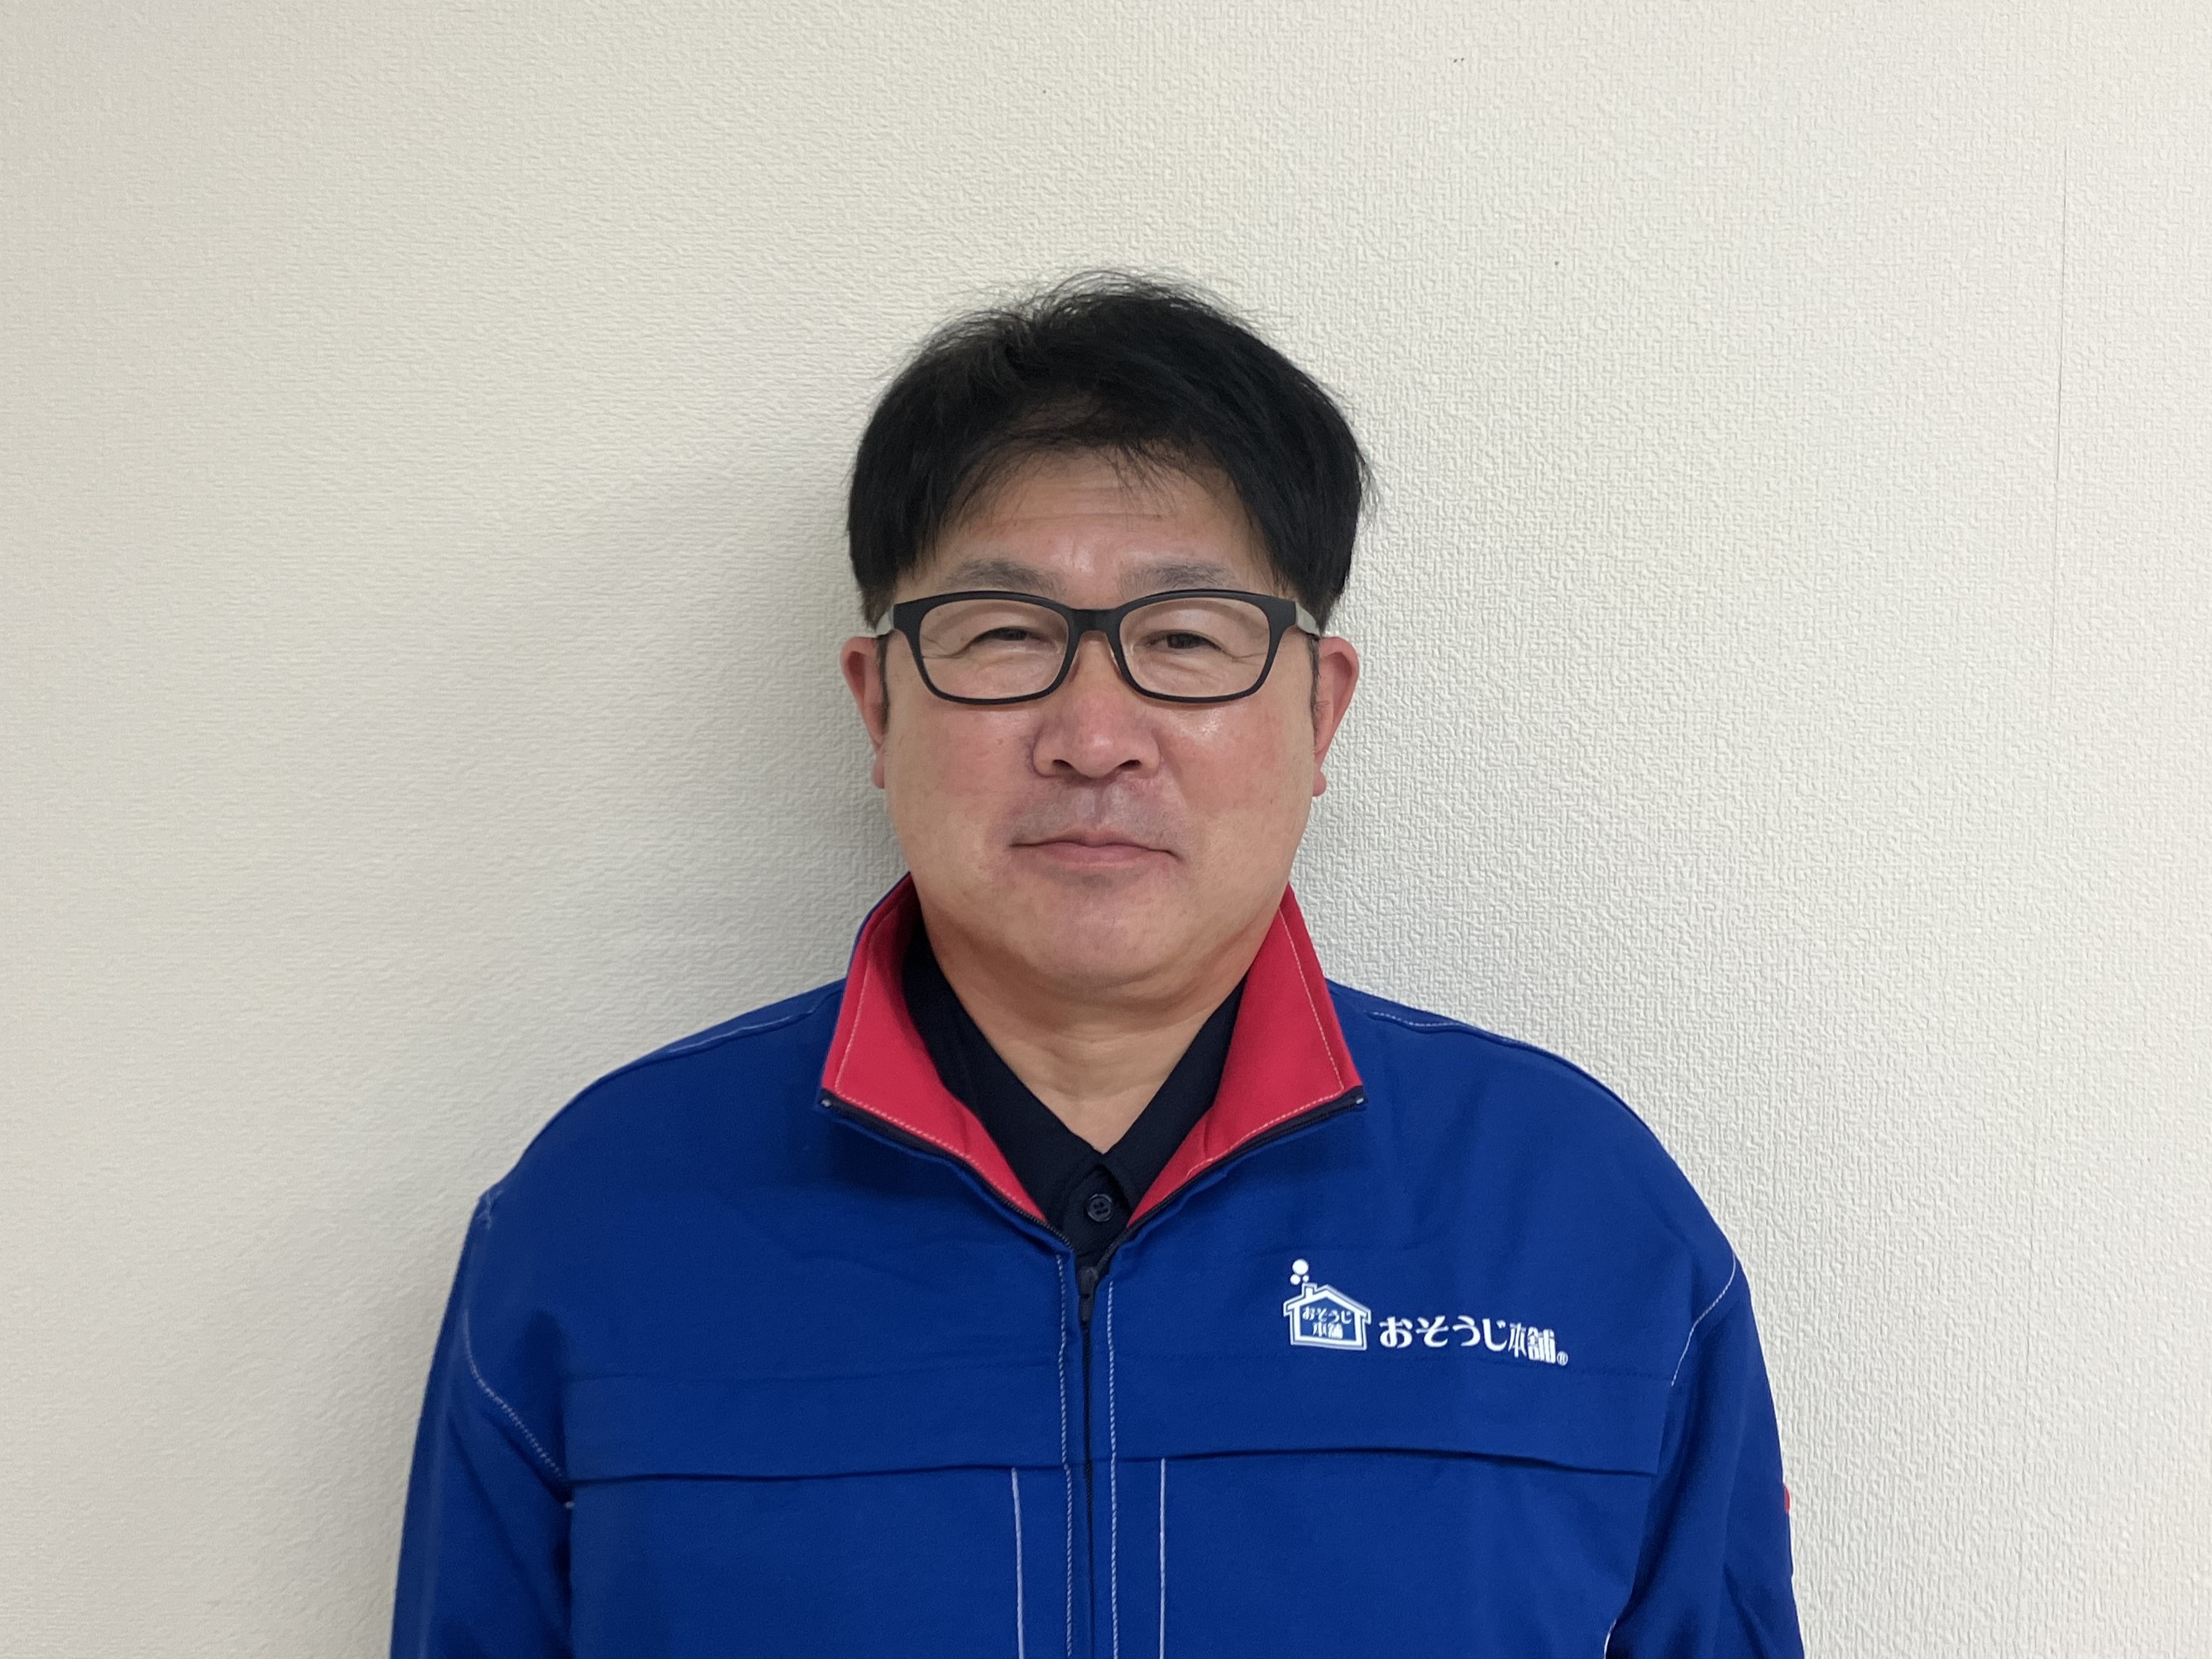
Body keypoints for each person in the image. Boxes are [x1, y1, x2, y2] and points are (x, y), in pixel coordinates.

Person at [391, 274, 1803, 1657]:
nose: (1093, 737)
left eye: (1182, 639)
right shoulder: (601, 1216)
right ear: (877, 706)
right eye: (1004, 636)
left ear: (1319, 711)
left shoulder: (1576, 1215)